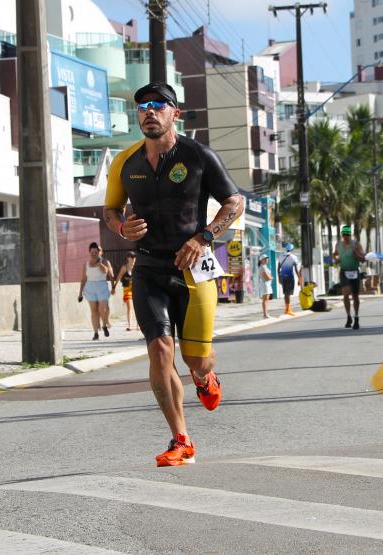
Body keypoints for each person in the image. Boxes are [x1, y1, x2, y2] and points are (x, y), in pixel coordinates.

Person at [103, 81, 243, 467]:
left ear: (175, 114)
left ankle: (204, 377)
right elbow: (111, 210)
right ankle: (181, 439)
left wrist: (204, 237)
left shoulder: (198, 156)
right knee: (160, 351)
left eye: (158, 105)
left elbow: (234, 201)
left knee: (196, 359)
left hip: (193, 269)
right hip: (149, 268)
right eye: (142, 106)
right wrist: (121, 228)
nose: (149, 111)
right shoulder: (125, 162)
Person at [78, 242, 114, 340]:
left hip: (102, 286)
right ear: (89, 252)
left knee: (103, 308)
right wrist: (80, 293)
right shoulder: (86, 264)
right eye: (92, 252)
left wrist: (99, 264)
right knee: (93, 310)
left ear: (99, 252)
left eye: (95, 252)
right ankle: (95, 333)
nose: (94, 254)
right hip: (90, 287)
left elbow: (106, 271)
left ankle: (104, 325)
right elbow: (83, 279)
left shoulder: (104, 261)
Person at [333, 225, 366, 329]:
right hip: (344, 271)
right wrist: (336, 259)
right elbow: (335, 254)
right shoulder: (338, 244)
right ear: (342, 235)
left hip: (354, 271)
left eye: (348, 235)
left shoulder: (356, 244)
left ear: (350, 235)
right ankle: (348, 316)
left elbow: (363, 259)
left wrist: (356, 253)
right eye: (344, 235)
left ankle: (356, 317)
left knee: (355, 296)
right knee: (346, 293)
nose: (346, 237)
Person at [112, 251, 137, 331]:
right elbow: (119, 277)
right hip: (127, 289)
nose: (133, 259)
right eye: (131, 257)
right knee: (129, 307)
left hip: (136, 289)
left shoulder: (137, 267)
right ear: (128, 258)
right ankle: (130, 325)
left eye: (134, 257)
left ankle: (138, 325)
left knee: (137, 307)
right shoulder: (124, 267)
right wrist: (114, 287)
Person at [278, 243, 302, 316]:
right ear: (292, 249)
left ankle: (287, 309)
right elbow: (296, 270)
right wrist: (299, 279)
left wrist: (279, 278)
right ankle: (288, 310)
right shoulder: (294, 257)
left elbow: (278, 269)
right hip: (290, 277)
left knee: (286, 293)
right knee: (288, 293)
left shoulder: (281, 256)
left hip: (283, 277)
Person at [258, 254, 273, 318]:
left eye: (267, 258)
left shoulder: (265, 266)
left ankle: (266, 313)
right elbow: (267, 277)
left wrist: (270, 277)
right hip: (265, 284)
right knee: (265, 300)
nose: (266, 260)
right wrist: (271, 278)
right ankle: (265, 314)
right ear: (261, 260)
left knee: (267, 299)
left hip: (267, 284)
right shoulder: (263, 267)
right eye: (265, 259)